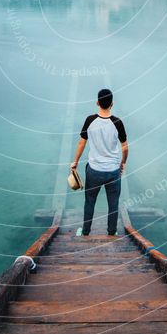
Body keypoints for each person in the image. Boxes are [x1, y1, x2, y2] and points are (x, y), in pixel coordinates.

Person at [70, 88, 128, 237]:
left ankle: (85, 232)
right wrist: (123, 163)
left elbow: (81, 144)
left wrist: (75, 162)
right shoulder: (117, 122)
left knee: (89, 201)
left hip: (94, 170)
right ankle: (111, 232)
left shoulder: (89, 120)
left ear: (97, 102)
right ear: (112, 104)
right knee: (113, 203)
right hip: (113, 171)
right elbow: (125, 147)